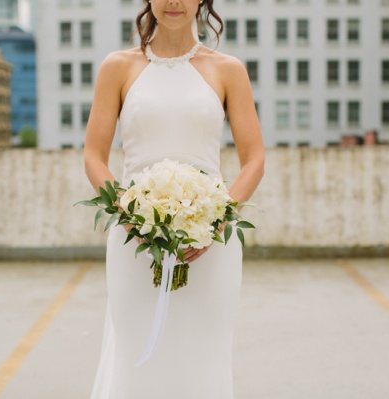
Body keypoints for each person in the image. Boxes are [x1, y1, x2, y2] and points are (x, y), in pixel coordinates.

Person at [82, 0, 265, 397]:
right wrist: (126, 212)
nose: (174, 2)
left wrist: (218, 219)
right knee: (137, 356)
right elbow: (94, 156)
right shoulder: (118, 67)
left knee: (203, 359)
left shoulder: (228, 70)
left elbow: (255, 160)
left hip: (211, 243)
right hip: (134, 240)